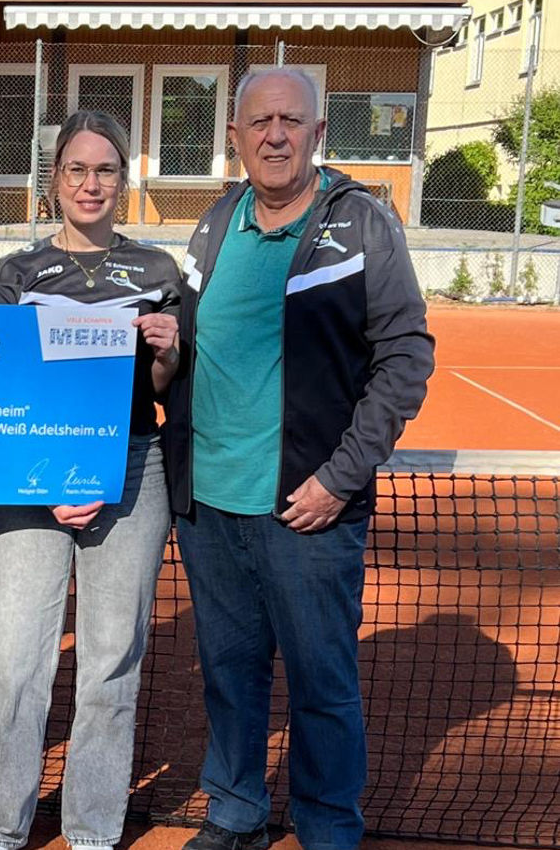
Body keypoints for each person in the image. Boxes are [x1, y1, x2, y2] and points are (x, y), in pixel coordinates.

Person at [162, 67, 435, 850]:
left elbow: (406, 357)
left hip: (308, 507)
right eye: (259, 122)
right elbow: (189, 351)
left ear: (318, 134)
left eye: (291, 121)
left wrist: (338, 478)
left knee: (321, 686)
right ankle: (237, 813)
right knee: (230, 678)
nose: (275, 135)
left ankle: (327, 828)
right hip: (210, 505)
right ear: (236, 137)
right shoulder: (214, 225)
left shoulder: (361, 225)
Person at [0, 110, 182, 850]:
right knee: (15, 660)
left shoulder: (157, 272)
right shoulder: (15, 274)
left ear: (124, 181)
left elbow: (165, 388)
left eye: (106, 170)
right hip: (29, 482)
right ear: (53, 181)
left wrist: (165, 350)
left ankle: (92, 832)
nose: (92, 184)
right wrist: (42, 477)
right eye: (76, 170)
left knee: (110, 664)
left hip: (132, 469)